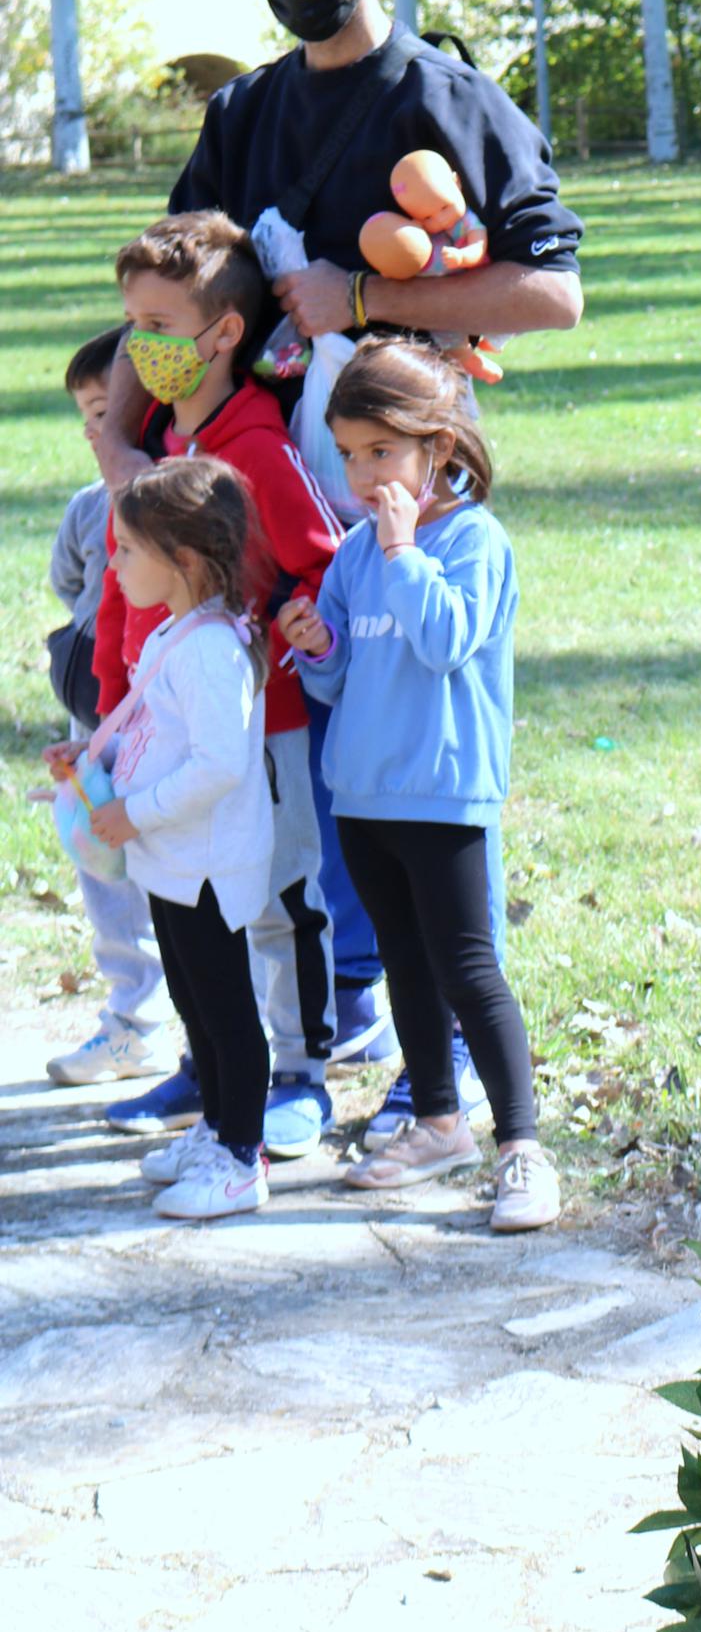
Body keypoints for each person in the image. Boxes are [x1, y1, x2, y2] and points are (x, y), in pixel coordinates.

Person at [92, 0, 584, 1145]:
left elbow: (552, 288)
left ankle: (388, 1023)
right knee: (253, 758)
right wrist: (126, 446)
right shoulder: (246, 111)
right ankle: (256, 1033)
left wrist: (360, 292)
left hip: (387, 504)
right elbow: (170, 288)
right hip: (246, 496)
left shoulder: (446, 102)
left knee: (384, 763)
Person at [280, 340, 559, 1237]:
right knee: (406, 962)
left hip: (441, 795)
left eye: (381, 453)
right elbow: (336, 680)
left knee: (469, 971)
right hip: (364, 798)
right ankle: (437, 1121)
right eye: (350, 454)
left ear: (439, 448)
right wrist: (315, 647)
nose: (362, 476)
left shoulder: (474, 542)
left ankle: (520, 1145)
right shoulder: (356, 553)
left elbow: (443, 641)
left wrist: (404, 553)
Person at [94, 215, 342, 1165]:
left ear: (224, 331)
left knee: (276, 900)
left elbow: (321, 567)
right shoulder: (157, 443)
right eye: (131, 324)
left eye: (158, 322)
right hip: (162, 730)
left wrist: (291, 625)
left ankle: (299, 1074)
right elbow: (128, 589)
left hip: (262, 732)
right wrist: (118, 705)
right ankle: (219, 1075)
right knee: (190, 909)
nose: (139, 346)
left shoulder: (261, 450)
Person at [54, 462, 276, 1222]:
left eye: (124, 550)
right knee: (193, 1002)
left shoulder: (212, 652)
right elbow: (152, 734)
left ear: (181, 559)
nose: (111, 565)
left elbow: (217, 766)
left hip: (206, 865)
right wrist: (96, 764)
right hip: (174, 866)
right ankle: (216, 1128)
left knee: (226, 1012)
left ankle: (243, 1159)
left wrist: (135, 812)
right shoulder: (176, 635)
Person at [42, 328, 175, 1088]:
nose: (97, 430)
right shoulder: (87, 507)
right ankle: (134, 1017)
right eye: (88, 415)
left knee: (171, 862)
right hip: (94, 725)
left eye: (109, 411)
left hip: (162, 717)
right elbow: (72, 583)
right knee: (105, 869)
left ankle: (202, 1017)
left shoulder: (175, 498)